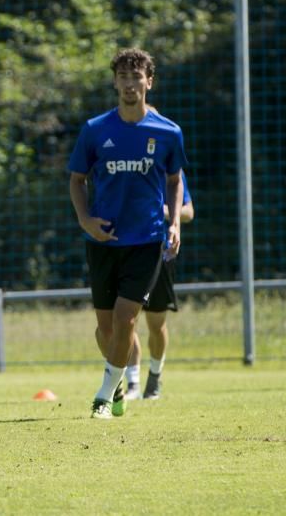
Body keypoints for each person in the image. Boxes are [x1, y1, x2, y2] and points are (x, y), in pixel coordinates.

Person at [67, 48, 188, 420]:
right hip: (103, 240)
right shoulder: (95, 129)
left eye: (137, 77)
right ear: (115, 82)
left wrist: (174, 223)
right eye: (123, 77)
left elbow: (174, 180)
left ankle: (104, 395)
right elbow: (76, 180)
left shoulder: (168, 132)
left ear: (149, 82)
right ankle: (118, 383)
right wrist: (86, 220)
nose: (130, 84)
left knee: (126, 318)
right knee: (105, 328)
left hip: (146, 240)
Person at [124, 171, 194, 400]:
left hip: (160, 255)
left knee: (156, 323)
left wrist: (161, 211)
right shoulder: (128, 164)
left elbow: (188, 212)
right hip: (126, 251)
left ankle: (154, 377)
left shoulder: (170, 170)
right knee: (125, 320)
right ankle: (132, 382)